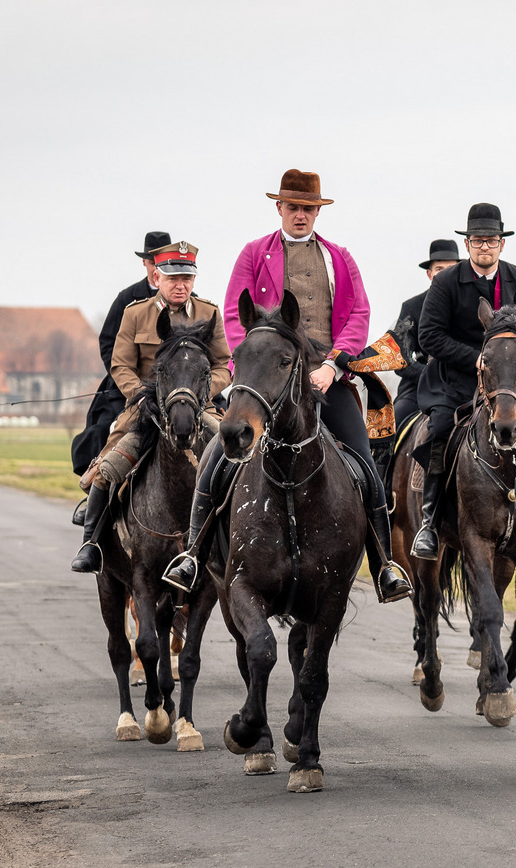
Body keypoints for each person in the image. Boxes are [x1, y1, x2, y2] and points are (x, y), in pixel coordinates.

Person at [161, 169, 411, 603]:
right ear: (279, 208)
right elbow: (237, 319)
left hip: (325, 379)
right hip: (267, 379)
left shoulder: (340, 258)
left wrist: (333, 365)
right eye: (293, 207)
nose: (300, 215)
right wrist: (253, 368)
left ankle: (384, 564)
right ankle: (193, 553)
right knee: (218, 455)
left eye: (308, 208)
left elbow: (358, 315)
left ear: (317, 212)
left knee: (365, 463)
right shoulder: (254, 253)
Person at [71, 241, 232, 573]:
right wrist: (143, 394)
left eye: (187, 278)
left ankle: (237, 545)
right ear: (157, 276)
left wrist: (200, 393)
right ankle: (91, 544)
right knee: (109, 464)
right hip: (145, 408)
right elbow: (120, 365)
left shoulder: (209, 314)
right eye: (173, 277)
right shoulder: (135, 313)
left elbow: (224, 365)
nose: (180, 285)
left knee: (236, 456)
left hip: (198, 407)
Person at [410, 205, 516, 560]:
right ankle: (430, 522)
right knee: (438, 433)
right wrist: (475, 358)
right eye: (478, 240)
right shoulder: (447, 282)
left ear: (501, 244)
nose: (485, 247)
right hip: (454, 381)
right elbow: (428, 335)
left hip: (511, 382)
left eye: (491, 240)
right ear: (467, 245)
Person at [71, 231, 170, 502]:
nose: (157, 267)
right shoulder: (127, 298)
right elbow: (107, 343)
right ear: (146, 264)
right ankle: (95, 511)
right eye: (153, 261)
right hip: (129, 388)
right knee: (104, 430)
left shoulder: (189, 299)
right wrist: (127, 381)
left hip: (177, 388)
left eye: (163, 261)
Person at [369, 238, 461, 480]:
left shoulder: (470, 305)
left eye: (452, 268)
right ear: (430, 273)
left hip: (463, 384)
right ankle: (382, 495)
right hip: (418, 386)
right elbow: (397, 354)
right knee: (389, 427)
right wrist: (428, 373)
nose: (446, 273)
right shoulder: (412, 306)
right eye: (440, 269)